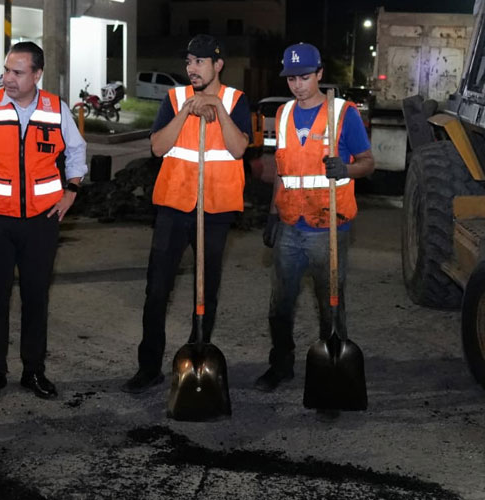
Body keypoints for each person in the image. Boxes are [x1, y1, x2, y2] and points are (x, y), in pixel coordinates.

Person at [0, 41, 87, 404]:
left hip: (41, 221)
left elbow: (76, 150)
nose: (8, 78)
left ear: (37, 75)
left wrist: (71, 190)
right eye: (6, 70)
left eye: (18, 72)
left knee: (36, 298)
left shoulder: (56, 109)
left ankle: (33, 370)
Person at [121, 34, 251, 394]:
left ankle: (197, 363)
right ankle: (149, 367)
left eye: (200, 61)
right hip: (173, 208)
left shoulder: (236, 100)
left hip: (215, 211)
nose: (192, 68)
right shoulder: (174, 98)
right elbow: (158, 147)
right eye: (189, 61)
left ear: (218, 65)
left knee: (205, 292)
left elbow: (239, 149)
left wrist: (218, 109)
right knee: (156, 290)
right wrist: (186, 111)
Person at [254, 43, 374, 400]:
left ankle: (331, 372)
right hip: (290, 225)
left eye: (305, 77)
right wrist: (272, 214)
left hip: (328, 227)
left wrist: (347, 169)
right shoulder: (284, 114)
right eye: (291, 79)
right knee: (280, 304)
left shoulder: (343, 114)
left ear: (319, 74)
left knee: (330, 304)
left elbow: (368, 162)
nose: (298, 85)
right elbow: (283, 170)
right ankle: (281, 365)